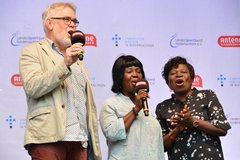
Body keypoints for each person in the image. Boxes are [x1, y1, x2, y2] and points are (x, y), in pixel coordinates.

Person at [19, 2, 101, 160]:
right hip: (48, 138)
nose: (73, 25)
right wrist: (65, 64)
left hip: (79, 141)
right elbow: (33, 87)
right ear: (49, 23)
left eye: (74, 21)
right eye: (67, 19)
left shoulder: (79, 61)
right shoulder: (32, 51)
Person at [155, 56, 231, 160]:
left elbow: (222, 129)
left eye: (183, 72)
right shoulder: (162, 107)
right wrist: (177, 130)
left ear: (192, 79)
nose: (178, 75)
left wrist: (193, 121)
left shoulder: (207, 96)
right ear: (168, 83)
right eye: (172, 74)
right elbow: (161, 147)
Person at [100, 55, 165, 160]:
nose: (135, 75)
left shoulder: (146, 109)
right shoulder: (111, 104)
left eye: (139, 71)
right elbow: (111, 133)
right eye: (129, 71)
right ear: (120, 77)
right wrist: (135, 109)